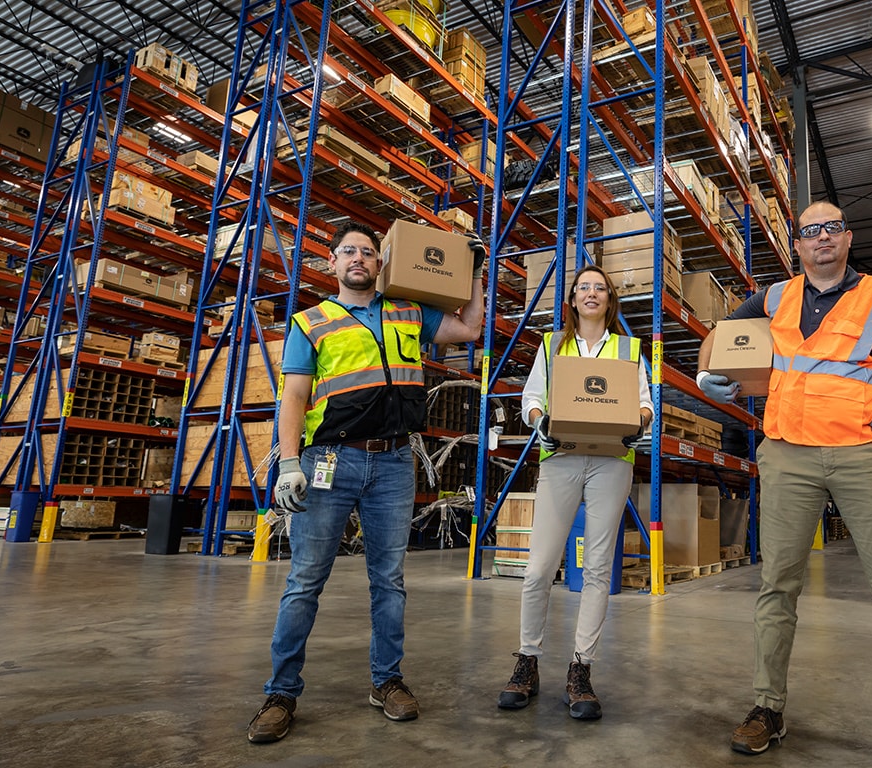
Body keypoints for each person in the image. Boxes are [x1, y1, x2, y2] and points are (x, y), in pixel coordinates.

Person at [696, 201, 872, 768]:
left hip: (862, 455)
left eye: (832, 228)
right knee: (778, 586)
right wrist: (707, 372)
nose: (821, 238)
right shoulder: (774, 298)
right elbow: (721, 334)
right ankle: (767, 708)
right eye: (809, 231)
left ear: (847, 238)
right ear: (796, 245)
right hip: (787, 455)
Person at [247, 220, 486, 744]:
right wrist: (289, 464)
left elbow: (469, 327)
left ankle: (387, 682)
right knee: (305, 580)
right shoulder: (310, 322)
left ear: (381, 264)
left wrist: (475, 271)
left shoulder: (407, 311)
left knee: (390, 580)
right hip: (330, 461)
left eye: (368, 252)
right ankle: (281, 692)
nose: (358, 258)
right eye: (347, 251)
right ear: (331, 264)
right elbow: (293, 397)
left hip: (395, 462)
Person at [497, 264, 652, 720]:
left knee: (599, 567)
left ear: (609, 298)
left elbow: (645, 402)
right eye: (582, 287)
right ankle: (527, 661)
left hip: (612, 462)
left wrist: (639, 423)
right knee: (539, 566)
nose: (590, 293)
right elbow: (531, 399)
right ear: (571, 299)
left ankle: (581, 669)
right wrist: (538, 420)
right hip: (560, 458)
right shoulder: (552, 344)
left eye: (599, 287)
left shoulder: (627, 348)